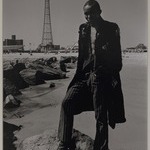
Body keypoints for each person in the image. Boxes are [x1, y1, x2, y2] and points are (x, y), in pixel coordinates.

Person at [57, 0, 126, 150]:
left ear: (99, 12)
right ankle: (64, 142)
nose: (88, 17)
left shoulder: (111, 28)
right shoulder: (83, 29)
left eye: (90, 13)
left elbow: (117, 61)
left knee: (101, 116)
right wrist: (80, 76)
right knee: (67, 102)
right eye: (85, 14)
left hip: (102, 77)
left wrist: (104, 74)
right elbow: (82, 57)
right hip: (84, 76)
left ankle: (101, 148)